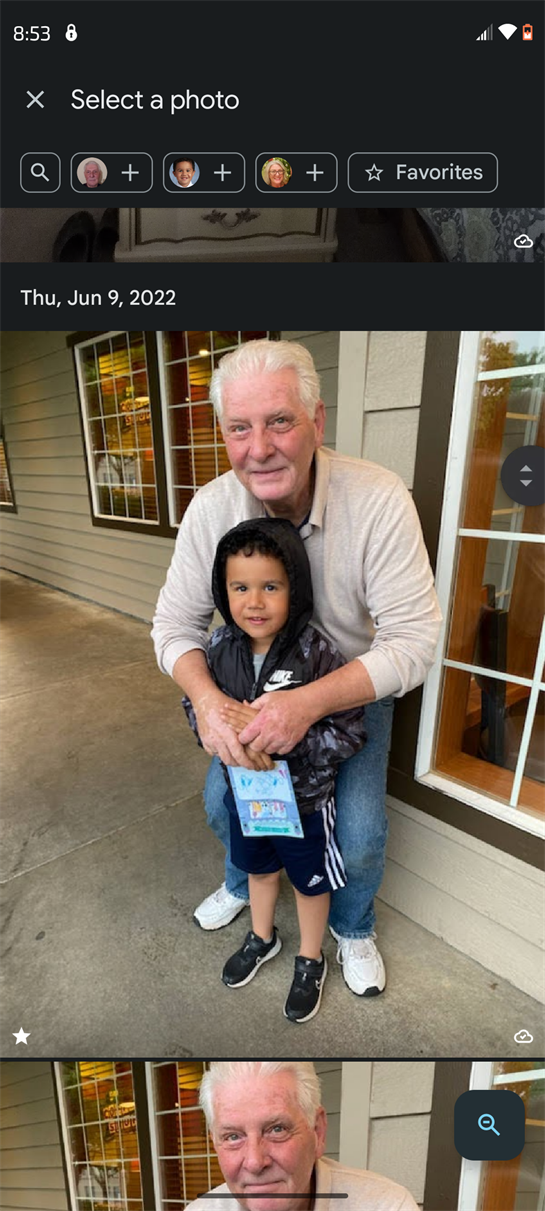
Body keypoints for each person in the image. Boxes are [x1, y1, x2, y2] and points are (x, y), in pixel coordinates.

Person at [152, 339, 442, 998]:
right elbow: (172, 627)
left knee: (359, 832)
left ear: (317, 418)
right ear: (223, 434)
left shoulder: (377, 498)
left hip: (347, 684)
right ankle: (243, 888)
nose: (259, 447)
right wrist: (208, 701)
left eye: (278, 421)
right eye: (239, 427)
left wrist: (309, 702)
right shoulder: (211, 509)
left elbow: (414, 641)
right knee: (224, 804)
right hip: (250, 688)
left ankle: (350, 924)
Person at [183, 517, 366, 1022]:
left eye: (270, 587)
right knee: (258, 870)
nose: (255, 602)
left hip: (304, 803)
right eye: (240, 588)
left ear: (295, 588)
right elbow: (194, 707)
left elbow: (350, 730)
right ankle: (262, 937)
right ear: (224, 590)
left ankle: (310, 959)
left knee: (310, 882)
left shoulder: (318, 655)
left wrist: (292, 743)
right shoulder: (217, 652)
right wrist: (220, 734)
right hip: (244, 797)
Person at [186, 1061, 419, 1211]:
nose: (255, 1162)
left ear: (317, 1132)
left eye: (277, 1129)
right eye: (233, 1137)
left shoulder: (386, 1206)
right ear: (215, 1143)